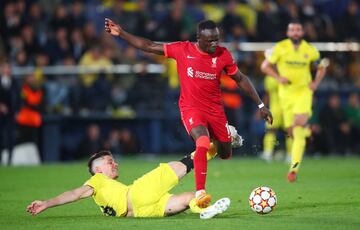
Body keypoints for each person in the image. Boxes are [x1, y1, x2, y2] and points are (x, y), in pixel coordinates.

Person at [104, 18, 272, 208]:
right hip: (192, 108)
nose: (214, 44)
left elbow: (240, 79)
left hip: (215, 110)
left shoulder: (223, 54)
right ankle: (200, 192)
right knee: (202, 141)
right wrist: (122, 33)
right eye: (210, 41)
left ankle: (228, 135)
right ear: (198, 38)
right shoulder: (183, 49)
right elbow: (149, 46)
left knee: (225, 153)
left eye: (217, 39)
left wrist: (260, 105)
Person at [26, 150, 230, 219]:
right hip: (137, 194)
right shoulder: (96, 181)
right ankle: (217, 144)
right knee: (179, 166)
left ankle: (204, 210)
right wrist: (46, 203)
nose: (115, 164)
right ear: (98, 170)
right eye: (110, 162)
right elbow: (73, 194)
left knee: (187, 198)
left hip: (143, 212)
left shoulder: (104, 194)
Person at [261, 20, 328, 182]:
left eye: (298, 29)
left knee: (297, 126)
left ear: (302, 33)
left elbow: (322, 67)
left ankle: (293, 169)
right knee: (292, 131)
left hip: (303, 93)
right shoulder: (281, 47)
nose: (295, 32)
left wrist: (315, 83)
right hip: (286, 96)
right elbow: (265, 66)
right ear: (288, 32)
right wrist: (278, 77)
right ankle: (307, 132)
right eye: (292, 30)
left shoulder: (310, 50)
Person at [0, 61, 20, 165]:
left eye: (9, 68)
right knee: (1, 137)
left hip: (11, 114)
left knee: (11, 137)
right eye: (5, 68)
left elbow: (18, 98)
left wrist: (17, 111)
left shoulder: (15, 82)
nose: (7, 70)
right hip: (1, 115)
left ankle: (9, 160)